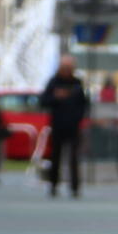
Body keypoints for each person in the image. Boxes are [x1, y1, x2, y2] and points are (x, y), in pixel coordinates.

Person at [40, 55, 89, 198]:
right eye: (64, 67)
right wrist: (56, 97)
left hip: (73, 126)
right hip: (57, 125)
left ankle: (74, 187)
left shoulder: (77, 83)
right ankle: (53, 185)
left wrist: (78, 118)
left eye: (69, 67)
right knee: (55, 156)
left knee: (74, 158)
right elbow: (43, 101)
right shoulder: (54, 82)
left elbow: (84, 103)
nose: (67, 70)